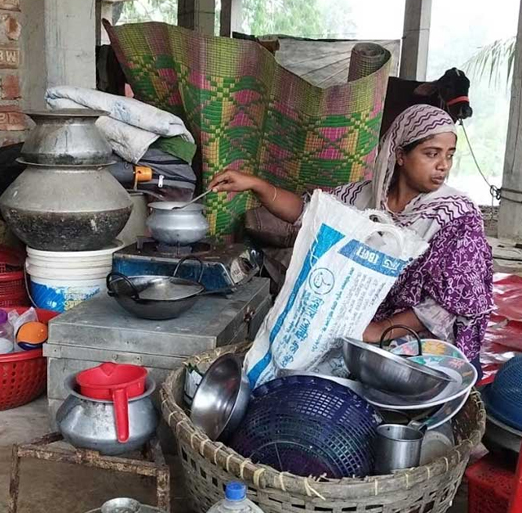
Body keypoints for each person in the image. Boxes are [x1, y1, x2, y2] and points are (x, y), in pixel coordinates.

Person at [208, 104, 494, 367]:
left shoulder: (456, 216)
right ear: (401, 155)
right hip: (358, 323)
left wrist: (381, 329)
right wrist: (256, 185)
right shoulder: (361, 197)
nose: (443, 165)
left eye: (450, 155)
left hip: (417, 338)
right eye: (431, 154)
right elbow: (309, 214)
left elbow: (456, 302)